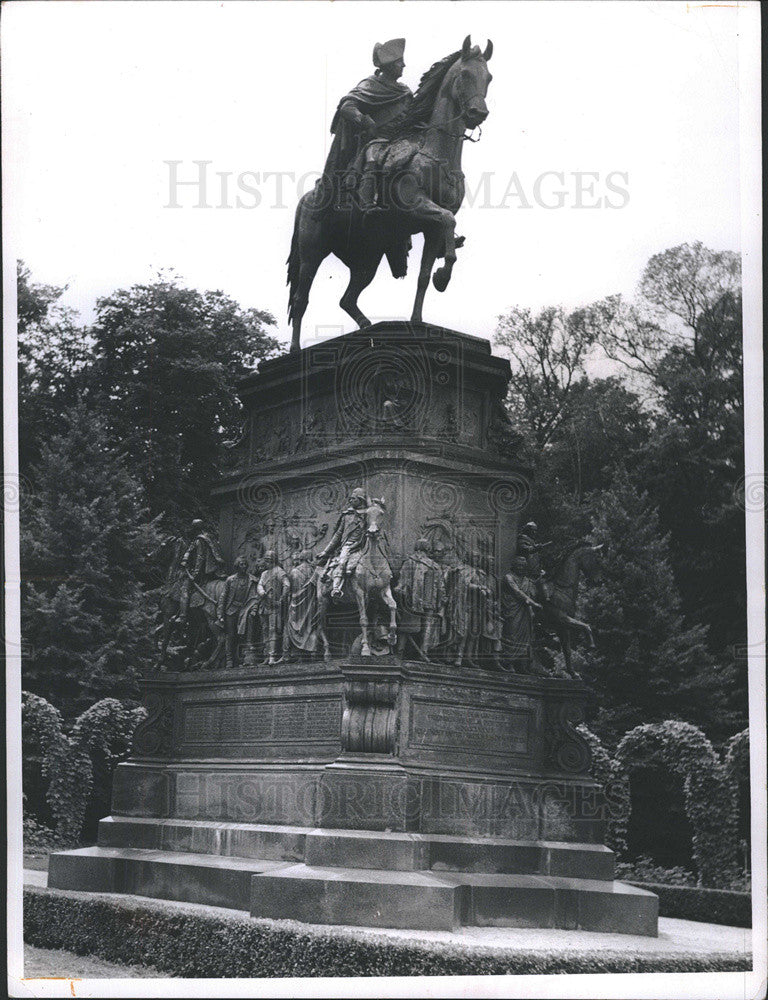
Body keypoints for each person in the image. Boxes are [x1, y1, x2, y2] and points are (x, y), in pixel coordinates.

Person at [322, 38, 413, 212]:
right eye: (400, 62)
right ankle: (367, 203)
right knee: (374, 155)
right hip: (376, 141)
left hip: (402, 142)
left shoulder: (405, 92)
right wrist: (364, 120)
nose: (404, 65)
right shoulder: (370, 85)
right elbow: (347, 107)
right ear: (390, 65)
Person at [395, 538, 445, 660]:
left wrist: (398, 593)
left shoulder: (410, 562)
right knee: (427, 627)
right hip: (431, 602)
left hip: (413, 601)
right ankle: (424, 652)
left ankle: (400, 652)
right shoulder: (435, 566)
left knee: (406, 627)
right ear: (428, 549)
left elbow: (402, 583)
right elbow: (441, 588)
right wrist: (440, 603)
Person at [317, 487, 369, 598]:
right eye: (350, 499)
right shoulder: (347, 516)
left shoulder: (368, 515)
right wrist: (325, 551)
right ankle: (336, 588)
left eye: (353, 499)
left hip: (364, 545)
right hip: (348, 546)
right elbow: (337, 535)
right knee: (341, 561)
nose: (350, 501)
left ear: (360, 500)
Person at [175, 519, 226, 625]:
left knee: (184, 589)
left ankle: (182, 616)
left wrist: (194, 575)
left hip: (202, 573)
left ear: (195, 528)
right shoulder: (209, 537)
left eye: (193, 528)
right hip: (214, 571)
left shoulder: (199, 540)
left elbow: (200, 558)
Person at [500, 556, 543, 671]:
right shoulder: (508, 577)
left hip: (525, 612)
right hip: (512, 611)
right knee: (512, 635)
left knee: (526, 637)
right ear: (513, 566)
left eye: (523, 566)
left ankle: (522, 665)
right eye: (518, 565)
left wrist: (540, 580)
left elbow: (533, 591)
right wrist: (533, 603)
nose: (520, 568)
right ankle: (508, 662)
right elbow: (517, 592)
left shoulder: (526, 580)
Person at [217, 557, 259, 670]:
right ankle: (229, 660)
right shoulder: (230, 580)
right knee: (230, 635)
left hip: (245, 609)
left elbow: (255, 596)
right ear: (237, 566)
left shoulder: (252, 580)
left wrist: (253, 609)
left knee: (245, 634)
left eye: (245, 564)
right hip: (231, 610)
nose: (244, 566)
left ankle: (244, 658)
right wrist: (220, 615)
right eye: (241, 564)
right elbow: (223, 597)